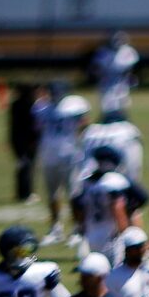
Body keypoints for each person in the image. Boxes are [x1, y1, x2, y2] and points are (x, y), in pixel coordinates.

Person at [36, 86, 88, 240]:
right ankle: (55, 228)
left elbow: (84, 124)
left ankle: (78, 228)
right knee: (53, 194)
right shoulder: (41, 108)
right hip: (49, 156)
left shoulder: (74, 105)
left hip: (69, 155)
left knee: (73, 194)